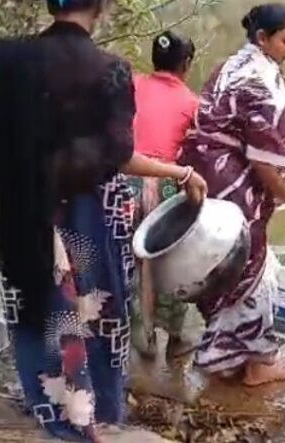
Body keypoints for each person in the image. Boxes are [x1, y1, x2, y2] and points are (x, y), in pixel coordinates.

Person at [0, 0, 207, 443]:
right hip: (85, 218)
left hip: (25, 212)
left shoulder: (10, 61)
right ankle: (96, 412)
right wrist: (180, 172)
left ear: (51, 6)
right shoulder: (110, 71)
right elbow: (119, 157)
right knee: (93, 309)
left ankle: (50, 405)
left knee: (39, 306)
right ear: (98, 9)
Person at [180, 3, 285, 386]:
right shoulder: (259, 82)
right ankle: (259, 364)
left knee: (227, 265)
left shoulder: (231, 65)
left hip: (201, 176)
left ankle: (226, 356)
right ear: (263, 38)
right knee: (250, 266)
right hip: (231, 184)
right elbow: (263, 162)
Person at [128, 30, 200, 360]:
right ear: (186, 64)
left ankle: (140, 340)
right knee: (173, 261)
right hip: (167, 182)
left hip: (123, 183)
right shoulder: (191, 102)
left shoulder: (129, 85)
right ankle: (176, 338)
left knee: (129, 263)